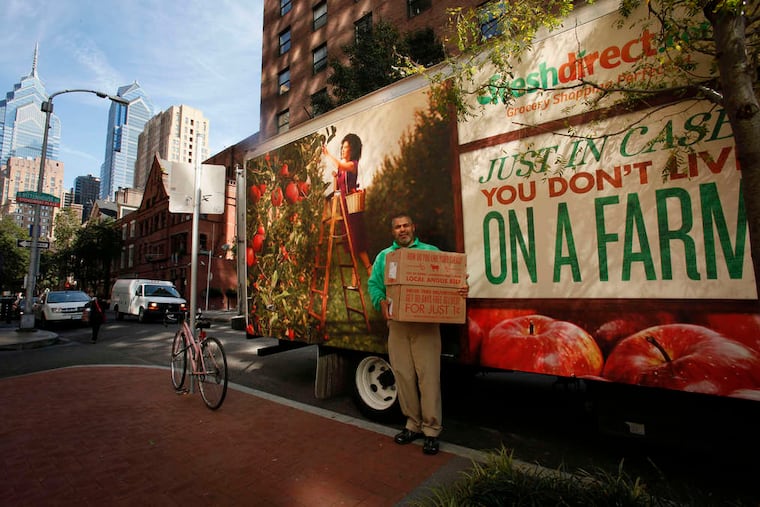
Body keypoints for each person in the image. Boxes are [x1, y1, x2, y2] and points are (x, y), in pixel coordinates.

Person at [367, 213, 468, 455]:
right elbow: (374, 285)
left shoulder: (430, 251)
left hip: (426, 325)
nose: (402, 230)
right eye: (397, 227)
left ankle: (432, 430)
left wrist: (461, 287)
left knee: (429, 377)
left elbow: (452, 278)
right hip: (399, 326)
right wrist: (380, 300)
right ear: (393, 232)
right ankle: (412, 424)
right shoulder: (384, 257)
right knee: (403, 376)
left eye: (406, 225)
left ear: (413, 227)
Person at [322, 133, 372, 279]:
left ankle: (369, 268)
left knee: (355, 237)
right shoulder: (342, 166)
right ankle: (354, 272)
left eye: (347, 147)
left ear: (353, 150)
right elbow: (337, 187)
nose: (343, 150)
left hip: (351, 205)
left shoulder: (352, 165)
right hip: (343, 206)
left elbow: (340, 165)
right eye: (343, 147)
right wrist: (335, 177)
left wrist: (328, 154)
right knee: (348, 239)